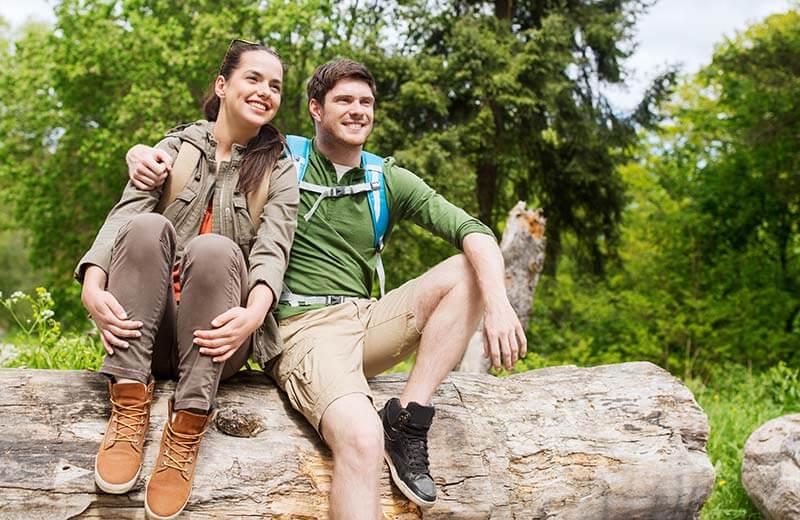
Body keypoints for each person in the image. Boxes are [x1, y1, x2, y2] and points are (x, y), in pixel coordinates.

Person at [127, 59, 525, 519]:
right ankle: (375, 433)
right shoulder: (279, 155)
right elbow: (212, 136)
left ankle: (408, 418)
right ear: (316, 108)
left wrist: (498, 304)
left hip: (366, 318)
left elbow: (473, 229)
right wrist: (139, 153)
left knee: (469, 268)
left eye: (366, 102)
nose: (358, 111)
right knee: (361, 438)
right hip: (303, 328)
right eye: (344, 100)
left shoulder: (384, 178)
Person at [76, 40, 298, 519]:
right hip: (147, 332)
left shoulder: (280, 170)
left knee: (213, 248)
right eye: (253, 78)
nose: (265, 91)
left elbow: (273, 250)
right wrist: (92, 285)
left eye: (275, 86)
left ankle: (188, 421)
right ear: (222, 85)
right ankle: (129, 402)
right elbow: (122, 218)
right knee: (145, 226)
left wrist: (253, 315)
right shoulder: (172, 150)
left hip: (220, 340)